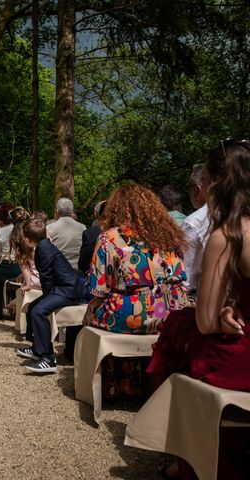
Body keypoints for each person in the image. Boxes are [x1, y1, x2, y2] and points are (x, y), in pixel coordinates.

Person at [148, 140, 250, 480]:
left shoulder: (230, 235)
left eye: (205, 178)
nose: (202, 187)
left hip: (241, 355)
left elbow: (205, 322)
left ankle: (190, 455)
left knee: (177, 326)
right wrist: (232, 307)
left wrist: (220, 315)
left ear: (218, 183)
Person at [84, 184, 189, 398]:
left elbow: (98, 289)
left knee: (96, 315)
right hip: (170, 311)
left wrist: (90, 310)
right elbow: (181, 274)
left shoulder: (109, 238)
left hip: (131, 312)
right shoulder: (169, 235)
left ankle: (118, 384)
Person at [16, 218, 87, 373]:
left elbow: (47, 281)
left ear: (28, 240)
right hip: (62, 288)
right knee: (32, 306)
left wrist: (47, 302)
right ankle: (37, 348)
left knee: (38, 310)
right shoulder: (44, 245)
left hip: (68, 290)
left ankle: (48, 358)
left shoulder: (43, 250)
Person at [181, 164, 210, 293]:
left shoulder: (192, 224)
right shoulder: (238, 214)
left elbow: (186, 279)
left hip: (206, 299)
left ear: (197, 190)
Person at [46, 197, 86, 270]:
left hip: (58, 270)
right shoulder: (82, 228)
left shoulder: (49, 228)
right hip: (77, 270)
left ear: (57, 211)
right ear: (72, 211)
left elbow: (46, 252)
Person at [78, 200, 106, 275]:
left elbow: (82, 264)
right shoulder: (124, 232)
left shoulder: (90, 234)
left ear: (96, 214)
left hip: (95, 276)